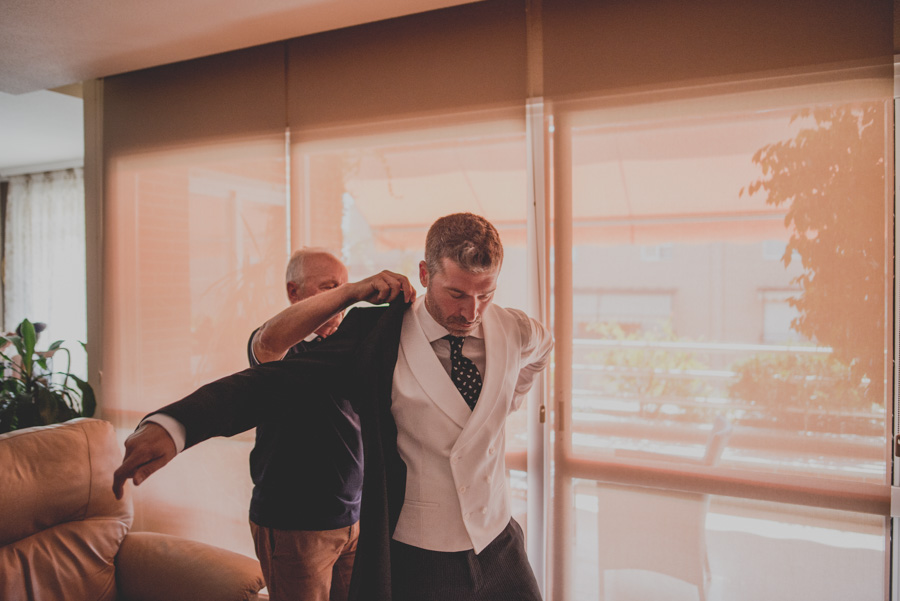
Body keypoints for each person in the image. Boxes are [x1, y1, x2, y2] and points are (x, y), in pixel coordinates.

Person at [113, 213, 553, 601]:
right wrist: (177, 425)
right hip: (418, 554)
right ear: (423, 273)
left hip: (499, 543)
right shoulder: (376, 336)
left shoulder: (513, 327)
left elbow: (542, 349)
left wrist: (509, 401)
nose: (470, 311)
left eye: (485, 294)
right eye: (456, 293)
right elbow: (271, 382)